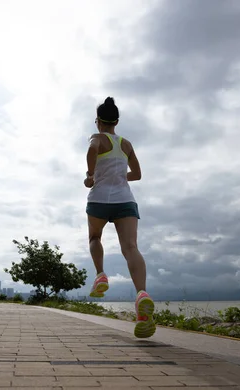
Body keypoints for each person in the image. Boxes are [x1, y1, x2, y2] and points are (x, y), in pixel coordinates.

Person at [84, 96, 156, 339]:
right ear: (116, 121)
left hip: (99, 200)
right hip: (125, 200)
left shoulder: (97, 138)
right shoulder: (126, 144)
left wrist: (91, 175)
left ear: (98, 122)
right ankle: (142, 294)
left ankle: (101, 275)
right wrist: (120, 177)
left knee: (95, 237)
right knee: (131, 247)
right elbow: (137, 173)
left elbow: (92, 150)